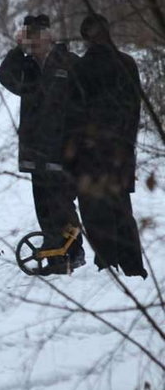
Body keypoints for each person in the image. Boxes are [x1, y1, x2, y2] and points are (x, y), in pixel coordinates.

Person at [0, 14, 85, 274]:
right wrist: (16, 49)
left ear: (49, 36)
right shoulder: (25, 68)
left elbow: (86, 101)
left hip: (64, 149)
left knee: (62, 204)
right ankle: (55, 256)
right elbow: (4, 75)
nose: (33, 42)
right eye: (29, 37)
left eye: (37, 35)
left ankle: (73, 252)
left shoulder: (69, 63)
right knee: (44, 206)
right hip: (35, 151)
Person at [66, 14, 147, 278]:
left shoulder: (80, 69)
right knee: (122, 209)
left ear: (85, 36)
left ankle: (107, 265)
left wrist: (71, 156)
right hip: (121, 152)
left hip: (90, 155)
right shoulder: (127, 63)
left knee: (94, 212)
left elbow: (73, 116)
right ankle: (133, 267)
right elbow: (134, 111)